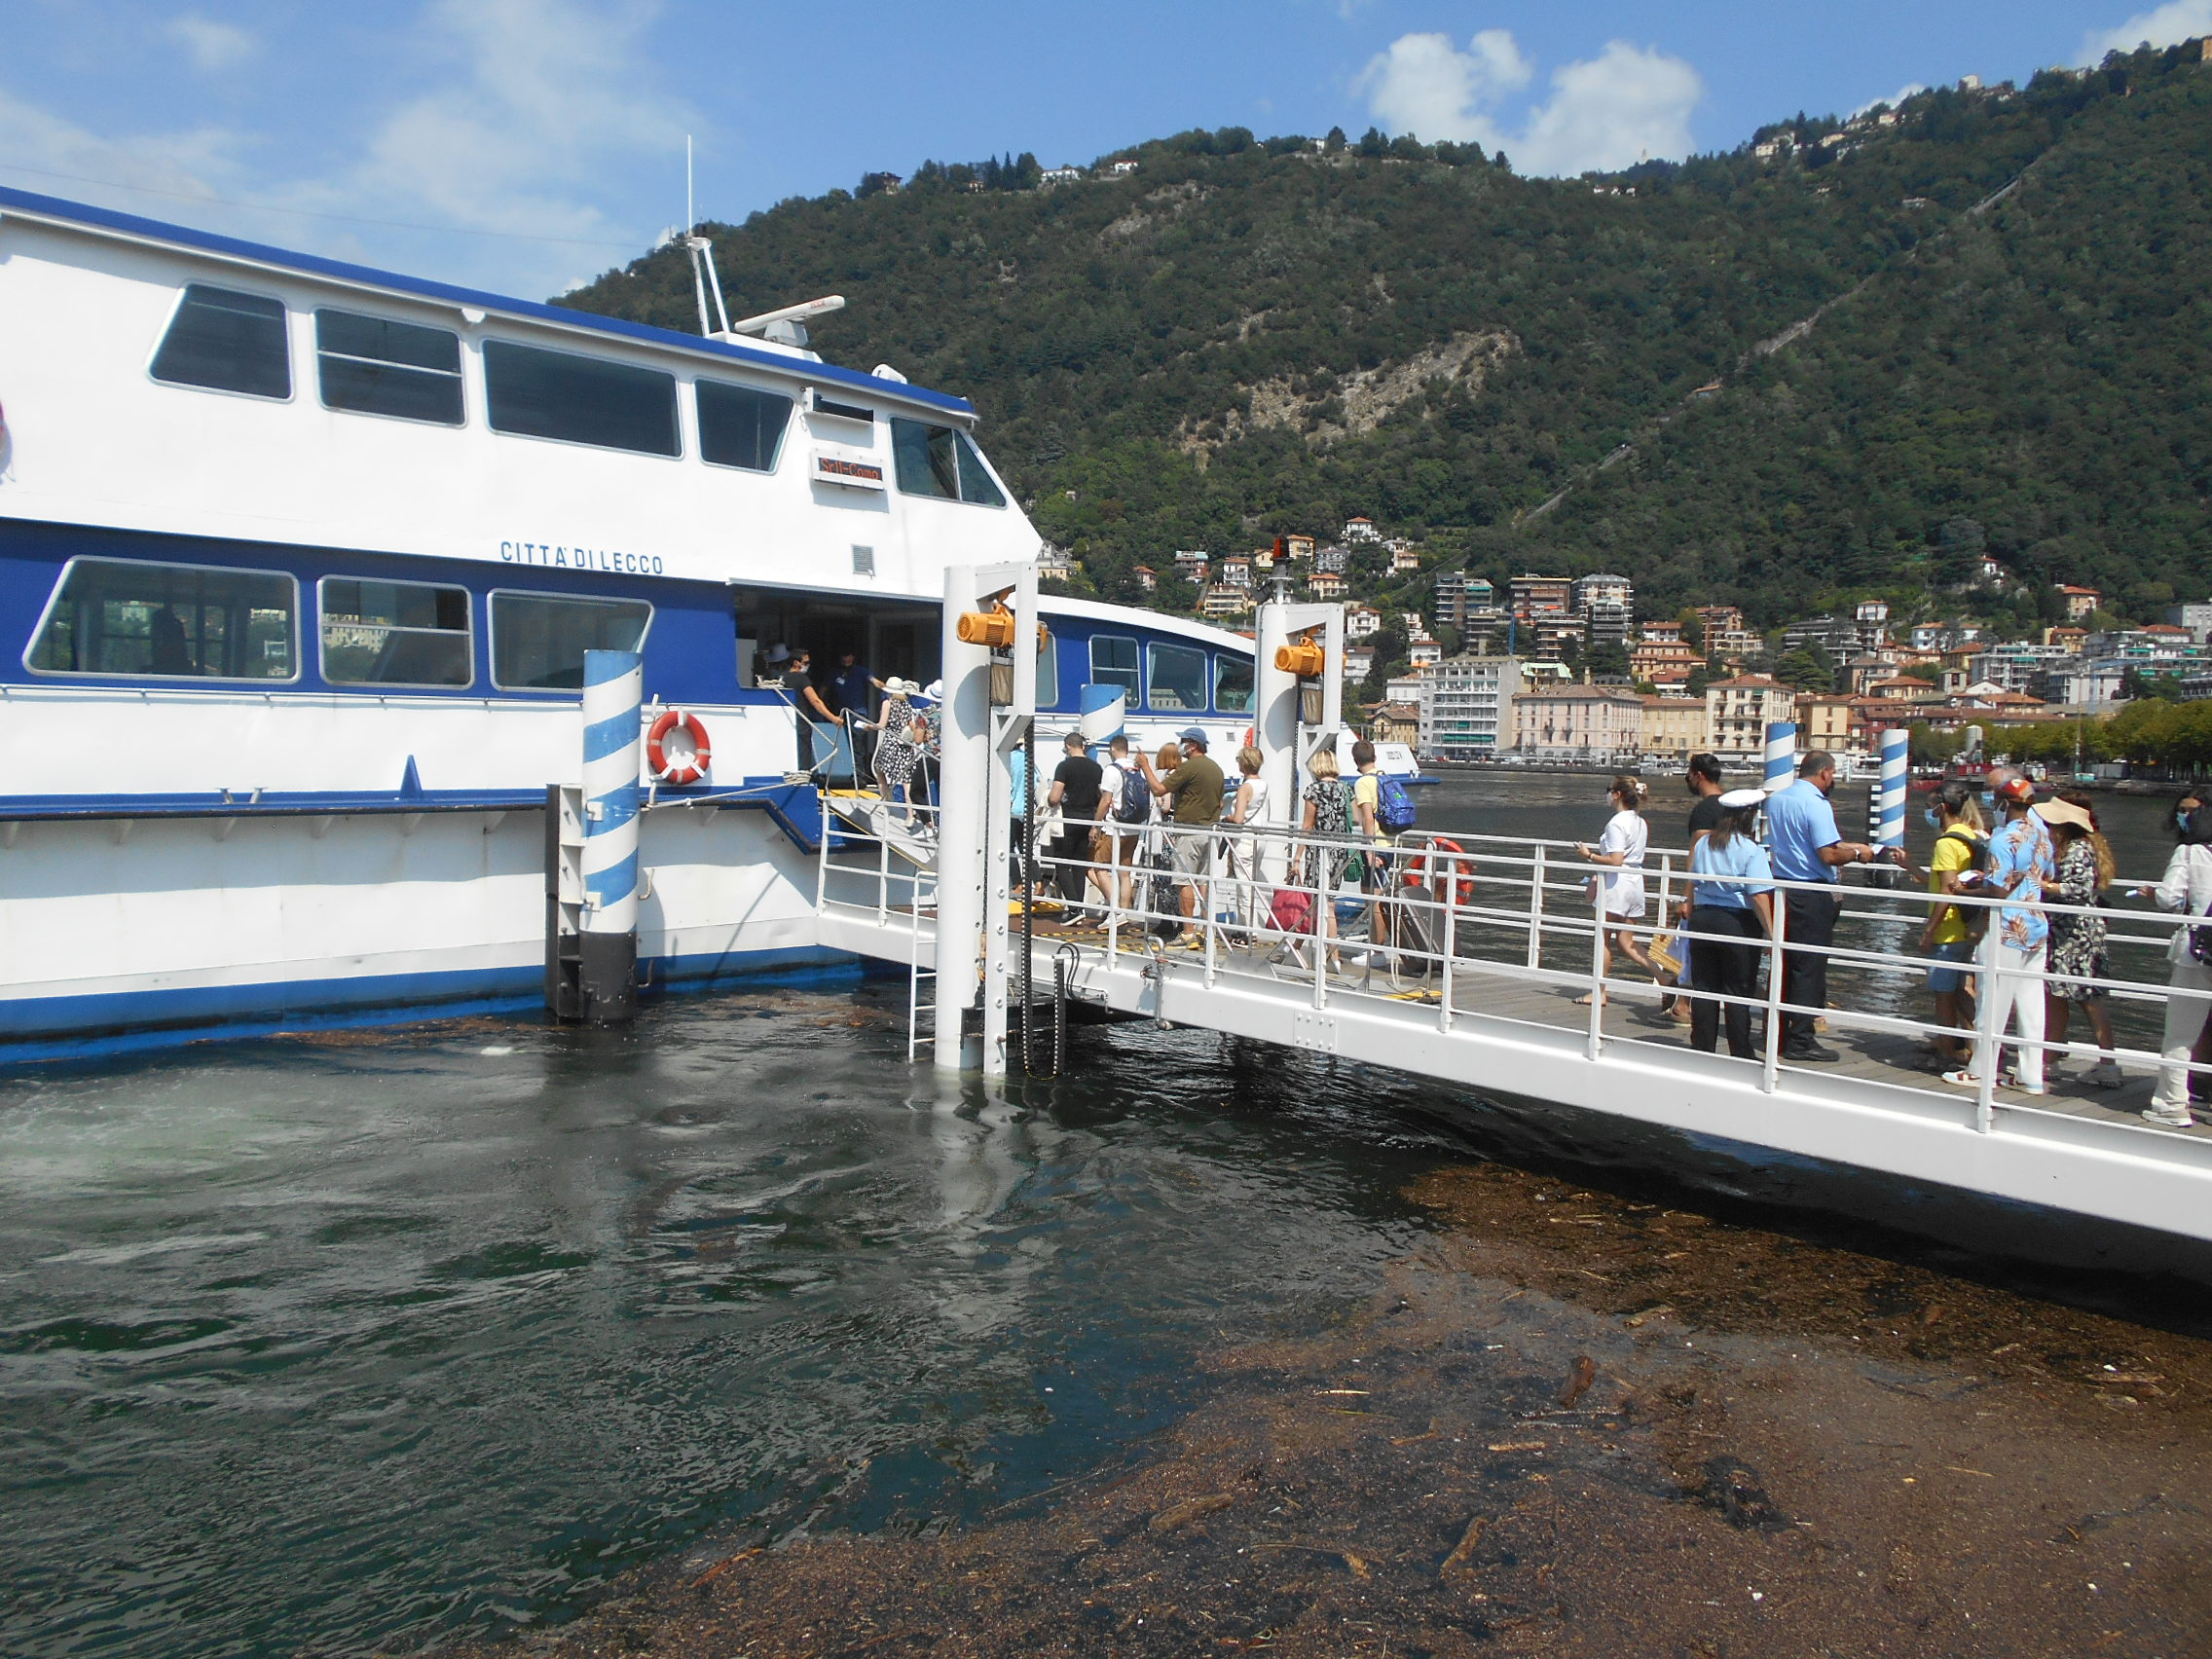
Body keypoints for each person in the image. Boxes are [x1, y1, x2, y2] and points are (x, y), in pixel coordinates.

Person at [1765, 749, 1903, 1061]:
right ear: (1825, 772)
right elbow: (1827, 855)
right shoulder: (1817, 805)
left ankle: (1779, 1030)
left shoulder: (1778, 800)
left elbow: (1804, 844)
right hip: (1812, 895)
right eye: (1834, 774)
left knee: (1786, 964)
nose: (1834, 780)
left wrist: (1851, 847)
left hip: (1784, 889)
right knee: (1809, 969)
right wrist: (1858, 855)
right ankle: (1800, 1040)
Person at [1944, 775, 2057, 1095]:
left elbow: (1997, 890)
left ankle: (1981, 1069)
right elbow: (2043, 876)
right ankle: (2031, 1075)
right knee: (2032, 1002)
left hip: (2006, 926)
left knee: (1992, 1000)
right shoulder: (2043, 835)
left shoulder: (2001, 839)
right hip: (2035, 923)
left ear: (2004, 803)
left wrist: (1965, 891)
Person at [2135, 792, 2212, 1126]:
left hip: (2197, 951)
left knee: (2181, 1032)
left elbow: (2169, 898)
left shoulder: (2190, 851)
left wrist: (2152, 893)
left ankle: (2171, 1103)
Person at [1683, 788, 1776, 1058]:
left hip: (1703, 918)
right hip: (1736, 921)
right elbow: (1758, 896)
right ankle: (1741, 1050)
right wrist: (1770, 932)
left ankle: (1702, 1048)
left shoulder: (1704, 844)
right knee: (1737, 989)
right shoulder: (1751, 850)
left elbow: (1694, 878)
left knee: (1704, 986)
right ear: (1749, 817)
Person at [2040, 791, 2121, 1088]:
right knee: (2080, 997)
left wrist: (2045, 886)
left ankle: (2053, 1059)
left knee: (2067, 996)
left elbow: (2078, 890)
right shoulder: (2086, 846)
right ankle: (2091, 1061)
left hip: (2073, 933)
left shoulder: (2075, 850)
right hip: (2080, 931)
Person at [1916, 781, 1986, 1067]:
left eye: (1930, 806)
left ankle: (1946, 1052)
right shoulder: (1971, 837)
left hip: (1947, 928)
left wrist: (1928, 931)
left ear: (1942, 807)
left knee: (1943, 994)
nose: (1929, 812)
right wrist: (1908, 866)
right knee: (1961, 991)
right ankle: (1974, 1046)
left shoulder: (1946, 843)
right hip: (1965, 925)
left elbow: (1946, 890)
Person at [1138, 728, 1226, 946]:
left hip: (1189, 832)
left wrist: (1145, 765)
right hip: (1210, 832)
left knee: (1184, 881)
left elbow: (1159, 789)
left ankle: (1188, 932)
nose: (1180, 745)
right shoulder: (1216, 768)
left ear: (1193, 745)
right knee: (1203, 882)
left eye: (1184, 741)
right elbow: (1220, 802)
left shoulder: (1190, 767)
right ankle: (1204, 929)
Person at [1573, 774, 1655, 1006]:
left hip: (1616, 884)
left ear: (1617, 794)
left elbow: (1616, 859)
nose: (1607, 794)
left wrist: (1588, 855)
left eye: (1609, 790)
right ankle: (1666, 979)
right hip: (1635, 882)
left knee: (1603, 938)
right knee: (1627, 942)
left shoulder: (1617, 823)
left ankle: (1599, 991)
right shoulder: (1639, 821)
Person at [1660, 753, 1730, 1021]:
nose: (1687, 779)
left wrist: (1686, 897)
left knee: (1692, 952)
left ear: (1698, 775)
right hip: (1733, 892)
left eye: (1688, 773)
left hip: (1706, 894)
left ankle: (1683, 1006)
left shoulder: (1704, 810)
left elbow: (1696, 854)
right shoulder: (1733, 806)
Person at [1298, 743, 1356, 971]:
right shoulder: (1346, 789)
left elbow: (1307, 826)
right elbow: (1356, 819)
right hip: (1339, 852)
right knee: (1329, 905)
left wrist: (1297, 857)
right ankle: (1335, 957)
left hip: (1319, 853)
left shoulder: (1314, 790)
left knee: (1314, 902)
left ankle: (1295, 945)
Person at [1046, 732, 1107, 909]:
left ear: (1068, 746)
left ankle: (1074, 908)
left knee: (1062, 864)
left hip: (1068, 820)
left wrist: (1048, 800)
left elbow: (1054, 797)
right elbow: (1099, 796)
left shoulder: (1064, 767)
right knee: (1079, 865)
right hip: (1088, 820)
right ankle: (1078, 907)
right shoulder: (1096, 768)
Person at [1093, 735, 1148, 916]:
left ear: (1112, 749)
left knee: (1100, 868)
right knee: (1124, 873)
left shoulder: (1111, 770)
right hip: (1133, 828)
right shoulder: (1136, 769)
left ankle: (1115, 910)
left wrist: (1095, 825)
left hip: (1114, 828)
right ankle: (1124, 912)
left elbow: (1105, 800)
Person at [1221, 745, 1270, 937]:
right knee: (1251, 881)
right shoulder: (1264, 785)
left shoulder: (1245, 787)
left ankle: (1247, 930)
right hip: (1260, 837)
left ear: (1244, 764)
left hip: (1245, 839)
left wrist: (1226, 819)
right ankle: (1246, 926)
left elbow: (1239, 819)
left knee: (1243, 883)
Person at [780, 649, 840, 774]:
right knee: (803, 756)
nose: (808, 665)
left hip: (785, 722)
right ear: (796, 663)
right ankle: (803, 778)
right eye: (806, 662)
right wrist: (833, 718)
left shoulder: (782, 678)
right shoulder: (801, 678)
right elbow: (815, 701)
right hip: (801, 722)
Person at [830, 650, 881, 775]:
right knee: (841, 743)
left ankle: (859, 775)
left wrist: (889, 689)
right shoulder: (835, 673)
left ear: (853, 658)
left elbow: (875, 681)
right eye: (844, 660)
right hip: (840, 714)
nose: (847, 663)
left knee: (858, 744)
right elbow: (825, 688)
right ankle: (842, 773)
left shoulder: (861, 671)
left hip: (859, 714)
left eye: (849, 660)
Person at [866, 678, 918, 795]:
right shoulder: (907, 704)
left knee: (879, 770)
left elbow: (881, 725)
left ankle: (887, 802)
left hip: (891, 744)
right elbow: (912, 724)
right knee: (906, 780)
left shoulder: (887, 703)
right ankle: (910, 812)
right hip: (905, 745)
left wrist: (868, 726)